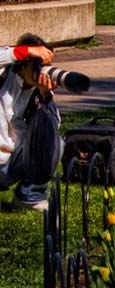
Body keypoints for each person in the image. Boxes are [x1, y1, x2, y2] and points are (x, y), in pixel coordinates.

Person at [0, 34, 62, 211]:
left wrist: (45, 98)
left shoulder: (39, 91)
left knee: (56, 142)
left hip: (13, 160)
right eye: (37, 64)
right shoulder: (4, 73)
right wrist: (25, 51)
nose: (41, 70)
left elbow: (53, 128)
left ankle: (28, 196)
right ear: (23, 62)